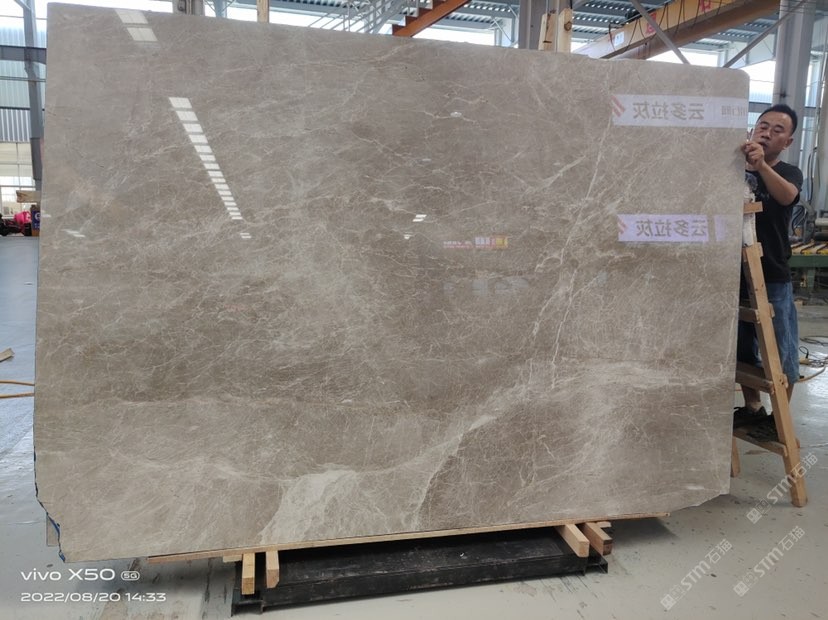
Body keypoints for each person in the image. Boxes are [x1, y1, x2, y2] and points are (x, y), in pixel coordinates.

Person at [734, 104, 804, 429]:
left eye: (778, 130)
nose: (767, 133)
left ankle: (779, 420)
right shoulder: (733, 169)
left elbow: (787, 196)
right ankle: (753, 408)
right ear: (753, 129)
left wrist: (761, 165)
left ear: (787, 142)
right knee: (741, 349)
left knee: (781, 352)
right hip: (734, 275)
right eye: (763, 126)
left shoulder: (789, 172)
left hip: (772, 275)